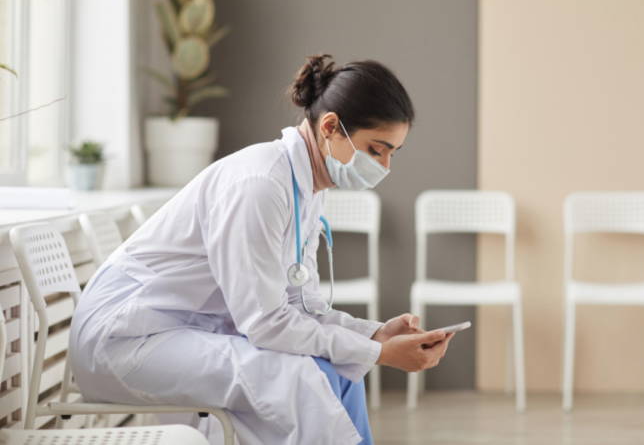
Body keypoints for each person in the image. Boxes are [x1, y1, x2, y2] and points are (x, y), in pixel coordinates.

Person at [69, 54, 455, 445]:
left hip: (183, 328)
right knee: (300, 379)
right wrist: (378, 354)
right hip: (124, 340)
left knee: (340, 370)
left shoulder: (307, 187)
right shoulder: (259, 183)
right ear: (331, 127)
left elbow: (300, 307)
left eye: (392, 153)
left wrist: (375, 337)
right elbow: (267, 322)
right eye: (377, 149)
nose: (385, 166)